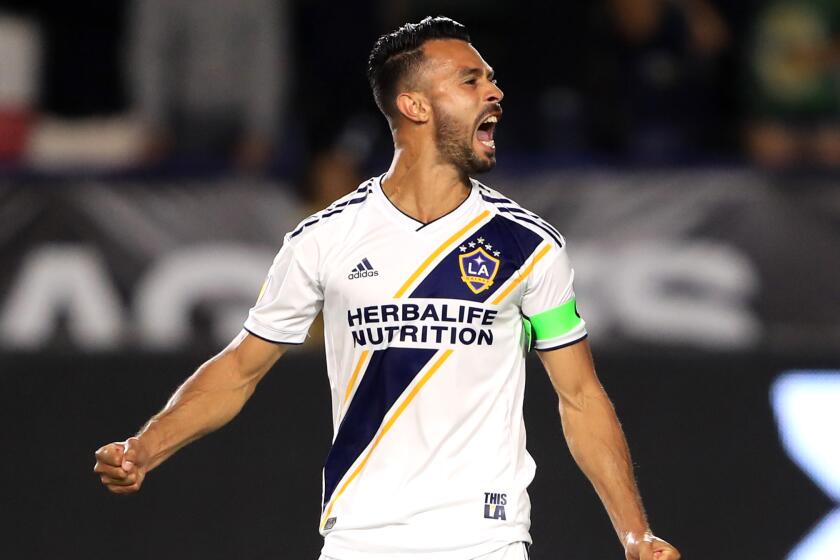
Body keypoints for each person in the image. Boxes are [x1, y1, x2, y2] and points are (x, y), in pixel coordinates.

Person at [95, 17, 681, 560]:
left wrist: (635, 533)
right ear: (414, 104)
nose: (495, 93)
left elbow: (579, 397)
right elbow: (241, 369)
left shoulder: (529, 247)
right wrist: (146, 448)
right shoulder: (323, 240)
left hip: (485, 540)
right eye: (471, 80)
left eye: (492, 79)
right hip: (359, 540)